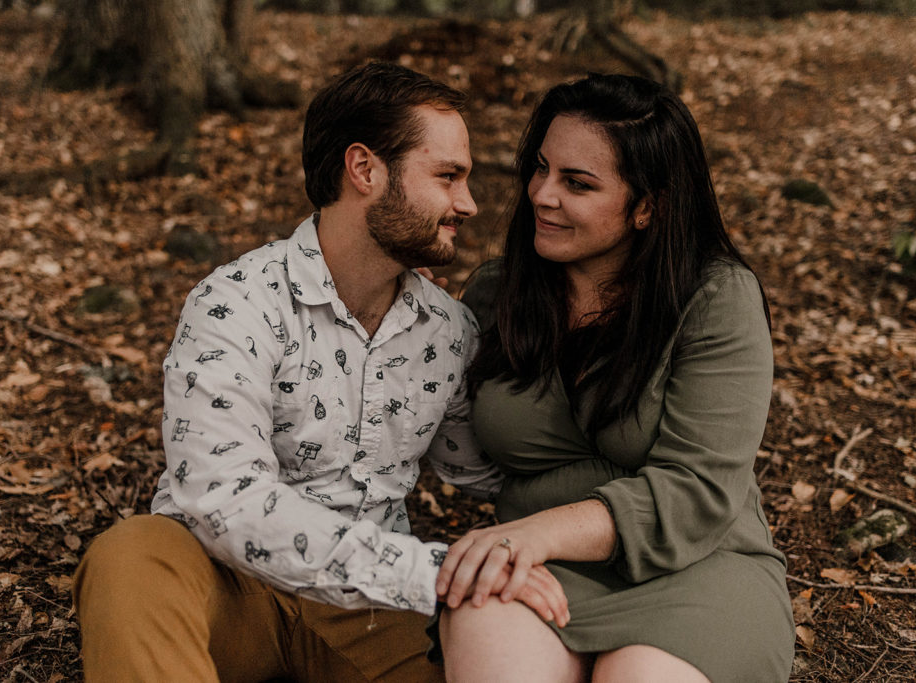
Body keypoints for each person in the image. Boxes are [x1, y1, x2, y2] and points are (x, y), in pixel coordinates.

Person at [72, 61, 568, 683]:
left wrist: (626, 490)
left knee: (503, 642)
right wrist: (430, 572)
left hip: (369, 613)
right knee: (129, 556)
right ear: (364, 169)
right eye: (447, 176)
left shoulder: (448, 331)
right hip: (230, 586)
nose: (467, 203)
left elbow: (489, 470)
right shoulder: (239, 301)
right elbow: (221, 497)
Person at [432, 74, 795, 682]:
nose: (542, 194)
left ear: (648, 205)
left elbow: (697, 490)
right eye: (541, 168)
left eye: (577, 183)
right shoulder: (498, 295)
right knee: (491, 649)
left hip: (697, 568)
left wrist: (535, 533)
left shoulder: (714, 299)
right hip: (540, 566)